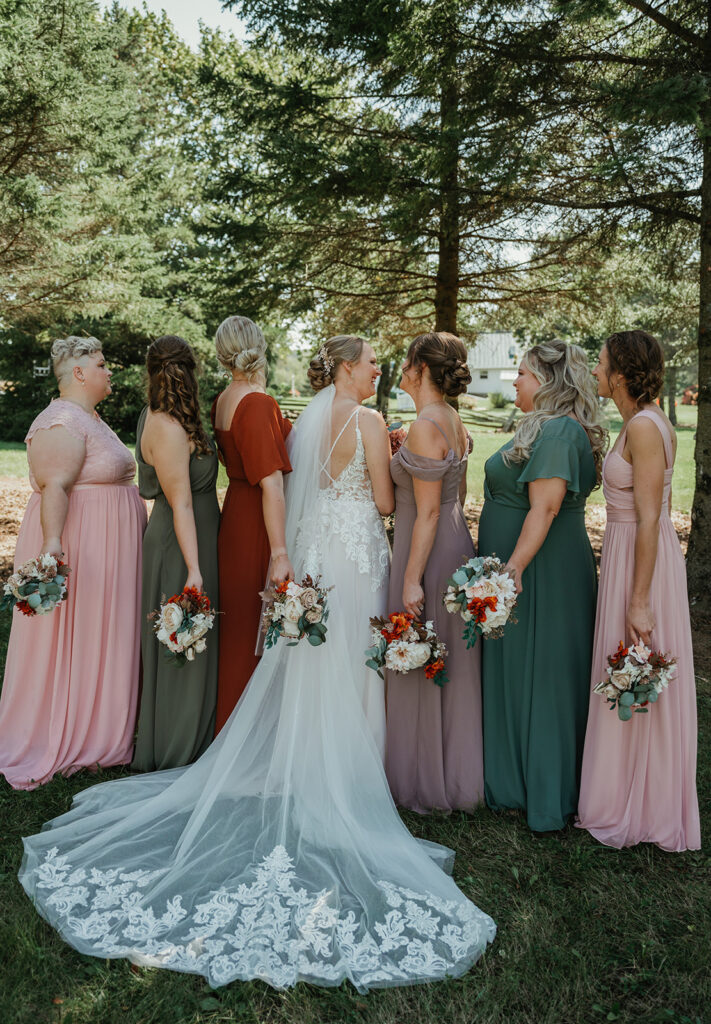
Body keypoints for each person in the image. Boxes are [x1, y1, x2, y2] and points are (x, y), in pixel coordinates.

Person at [18, 336, 495, 992]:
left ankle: (303, 755)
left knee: (309, 662)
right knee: (354, 665)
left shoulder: (306, 422)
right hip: (356, 555)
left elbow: (293, 487)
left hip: (314, 549)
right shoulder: (362, 422)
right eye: (370, 362)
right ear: (349, 369)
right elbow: (385, 505)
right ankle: (349, 768)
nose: (377, 369)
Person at [0, 336, 146, 789]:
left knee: (102, 631)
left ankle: (103, 726)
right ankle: (65, 731)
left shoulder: (90, 418)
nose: (109, 372)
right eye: (102, 365)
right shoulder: (60, 420)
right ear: (79, 373)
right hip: (80, 544)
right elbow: (56, 486)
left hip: (108, 547)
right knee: (75, 635)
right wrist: (52, 544)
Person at [577, 331, 700, 851]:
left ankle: (644, 806)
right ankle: (619, 789)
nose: (596, 371)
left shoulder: (646, 427)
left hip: (643, 561)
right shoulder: (633, 423)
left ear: (622, 373)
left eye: (601, 364)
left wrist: (639, 597)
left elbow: (652, 518)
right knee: (625, 668)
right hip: (628, 554)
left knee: (638, 664)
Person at [478, 340, 606, 832]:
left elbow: (546, 508)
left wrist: (511, 572)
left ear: (549, 383)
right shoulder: (545, 427)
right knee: (516, 668)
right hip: (530, 567)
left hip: (541, 571)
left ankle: (543, 790)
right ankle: (511, 781)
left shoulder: (557, 434)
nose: (515, 381)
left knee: (544, 673)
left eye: (524, 374)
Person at [385, 331, 484, 813]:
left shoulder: (426, 425)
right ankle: (450, 771)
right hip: (453, 542)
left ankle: (421, 780)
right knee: (446, 662)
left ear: (421, 368)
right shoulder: (452, 419)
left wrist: (410, 577)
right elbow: (457, 499)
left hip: (427, 549)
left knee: (422, 656)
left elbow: (425, 513)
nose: (401, 367)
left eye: (407, 360)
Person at [131, 336, 220, 771]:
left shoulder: (177, 418)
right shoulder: (164, 426)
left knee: (194, 642)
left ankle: (198, 737)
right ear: (190, 370)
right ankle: (173, 749)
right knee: (183, 642)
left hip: (196, 537)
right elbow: (181, 502)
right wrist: (194, 568)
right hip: (179, 544)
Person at [211, 316, 293, 733]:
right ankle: (249, 740)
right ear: (258, 344)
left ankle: (230, 727)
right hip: (260, 522)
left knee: (239, 628)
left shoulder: (223, 399)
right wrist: (279, 551)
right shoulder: (257, 403)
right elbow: (272, 485)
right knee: (253, 631)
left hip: (236, 517)